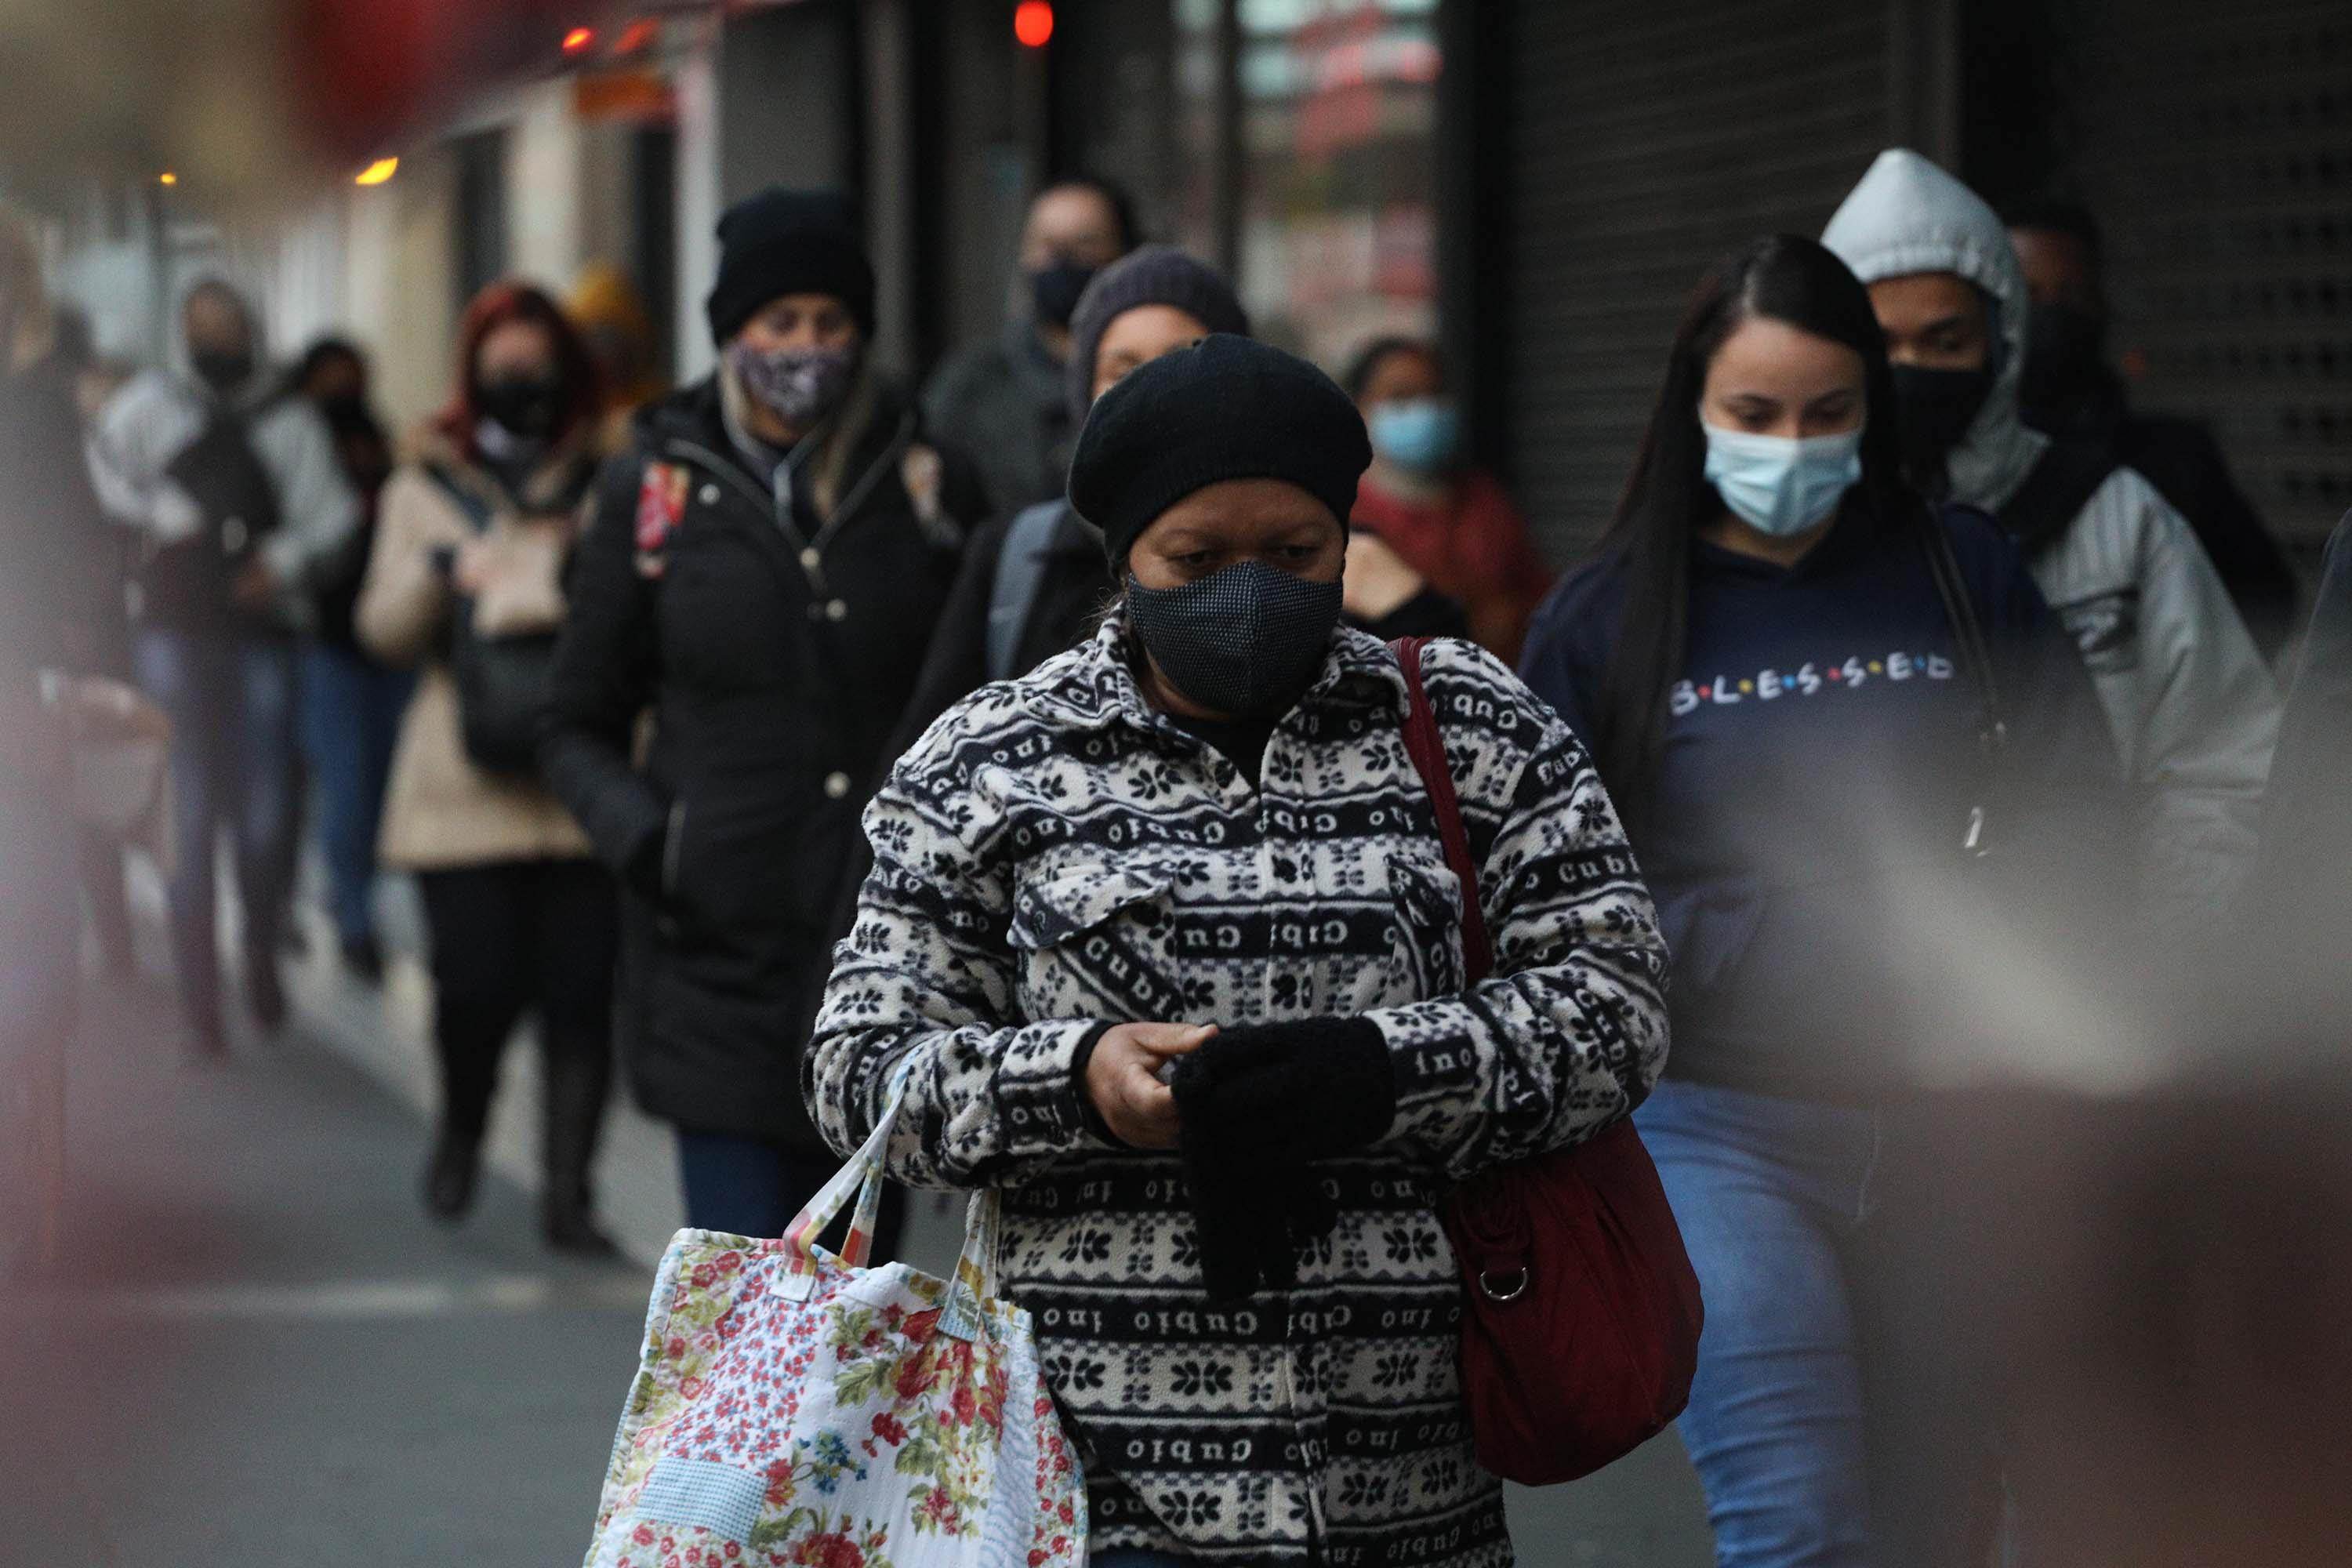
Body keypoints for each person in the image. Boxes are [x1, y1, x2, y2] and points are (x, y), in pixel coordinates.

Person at [808, 333, 1670, 1567]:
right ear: (1126, 562)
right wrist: (1081, 1081)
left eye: (1294, 554)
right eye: (1199, 559)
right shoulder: (991, 760)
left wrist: (1384, 1071)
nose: (1249, 591)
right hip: (1089, 1479)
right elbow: (859, 1071)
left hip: (1408, 1477)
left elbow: (1616, 1005)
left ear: (1346, 542)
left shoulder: (1471, 722)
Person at [1519, 234, 2118, 1568]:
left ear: (1874, 411)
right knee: (1797, 1520)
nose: (1792, 445)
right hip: (1719, 1125)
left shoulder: (1963, 570)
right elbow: (1546, 902)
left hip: (1957, 1117)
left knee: (1946, 1520)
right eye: (1755, 414)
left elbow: (2085, 805)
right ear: (1693, 412)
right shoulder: (1603, 621)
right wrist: (1770, 931)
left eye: (1829, 413)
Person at [543, 189, 967, 1247]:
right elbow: (574, 721)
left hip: (881, 964)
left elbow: (971, 694)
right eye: (782, 324)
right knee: (743, 1317)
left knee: (851, 1331)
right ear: (733, 333)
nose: (807, 349)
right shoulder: (656, 489)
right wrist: (656, 842)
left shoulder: (925, 479)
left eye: (831, 324)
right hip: (715, 964)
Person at [1823, 149, 2279, 942]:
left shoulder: (2116, 516)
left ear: (2002, 342)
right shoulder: (1801, 528)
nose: (1914, 372)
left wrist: (2165, 952)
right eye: (1882, 343)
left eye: (1945, 339)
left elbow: (2220, 762)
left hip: (2101, 976)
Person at [355, 281, 616, 1252]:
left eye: (541, 370)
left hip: (584, 786)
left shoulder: (614, 482)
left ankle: (569, 1193)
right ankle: (464, 1126)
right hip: (460, 792)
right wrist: (443, 574)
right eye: (505, 372)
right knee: (474, 989)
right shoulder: (426, 486)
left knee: (581, 997)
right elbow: (377, 629)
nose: (525, 389)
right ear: (472, 379)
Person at [88, 279, 359, 1057]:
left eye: (227, 325)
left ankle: (261, 950)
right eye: (200, 326)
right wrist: (165, 520)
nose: (215, 339)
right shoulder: (152, 405)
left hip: (262, 631)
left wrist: (282, 562)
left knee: (268, 812)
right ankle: (199, 1000)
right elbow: (102, 471)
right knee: (190, 810)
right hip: (175, 627)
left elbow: (331, 514)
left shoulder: (289, 418)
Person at [889, 243, 1250, 751]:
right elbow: (920, 766)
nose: (1148, 391)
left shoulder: (1295, 558)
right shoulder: (1017, 555)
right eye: (1122, 372)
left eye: (1181, 362)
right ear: (1086, 393)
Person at [2003, 197, 2300, 662]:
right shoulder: (1950, 471)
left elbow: (2264, 607)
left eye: (2072, 294)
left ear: (2100, 303)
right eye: (2031, 294)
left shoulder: (2176, 462)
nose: (2053, 314)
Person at [289, 339, 412, 981]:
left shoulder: (380, 441)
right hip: (329, 644)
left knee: (381, 784)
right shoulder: (299, 443)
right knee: (346, 785)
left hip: (389, 644)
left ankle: (355, 902)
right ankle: (353, 917)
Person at [923, 176, 1137, 516]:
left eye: (1085, 246)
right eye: (1049, 247)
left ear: (1123, 255)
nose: (1064, 262)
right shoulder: (970, 384)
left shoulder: (1152, 374)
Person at [1345, 336, 1551, 660]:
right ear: (1360, 408)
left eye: (1434, 395)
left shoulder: (1484, 502)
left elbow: (1539, 601)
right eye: (1401, 397)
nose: (1423, 411)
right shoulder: (1343, 512)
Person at [568, 261, 668, 454]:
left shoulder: (659, 411)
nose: (603, 351)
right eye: (591, 337)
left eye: (613, 336)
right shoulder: (569, 415)